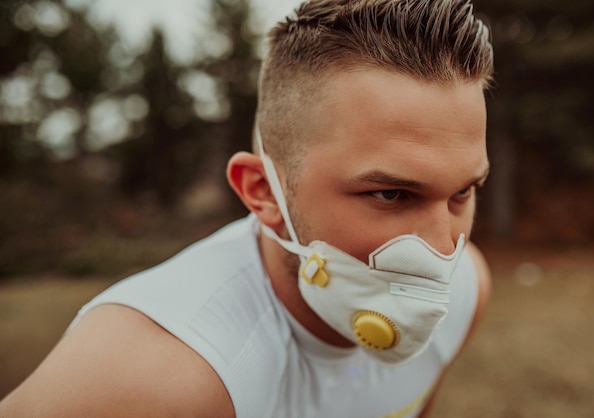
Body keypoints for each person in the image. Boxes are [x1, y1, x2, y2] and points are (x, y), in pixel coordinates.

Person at [0, 0, 494, 416]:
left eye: (461, 193)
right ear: (262, 190)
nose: (442, 249)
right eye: (391, 194)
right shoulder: (158, 378)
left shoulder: (469, 288)